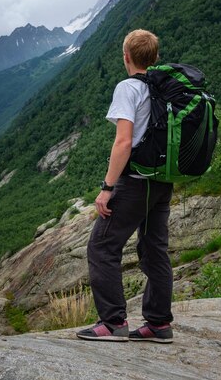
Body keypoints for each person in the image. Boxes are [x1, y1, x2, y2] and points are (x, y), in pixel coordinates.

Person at [76, 29, 174, 343]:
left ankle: (113, 322)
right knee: (154, 249)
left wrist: (107, 187)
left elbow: (123, 142)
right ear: (155, 58)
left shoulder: (128, 88)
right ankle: (159, 324)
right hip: (162, 180)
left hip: (135, 181)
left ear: (126, 57)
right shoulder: (165, 88)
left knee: (102, 247)